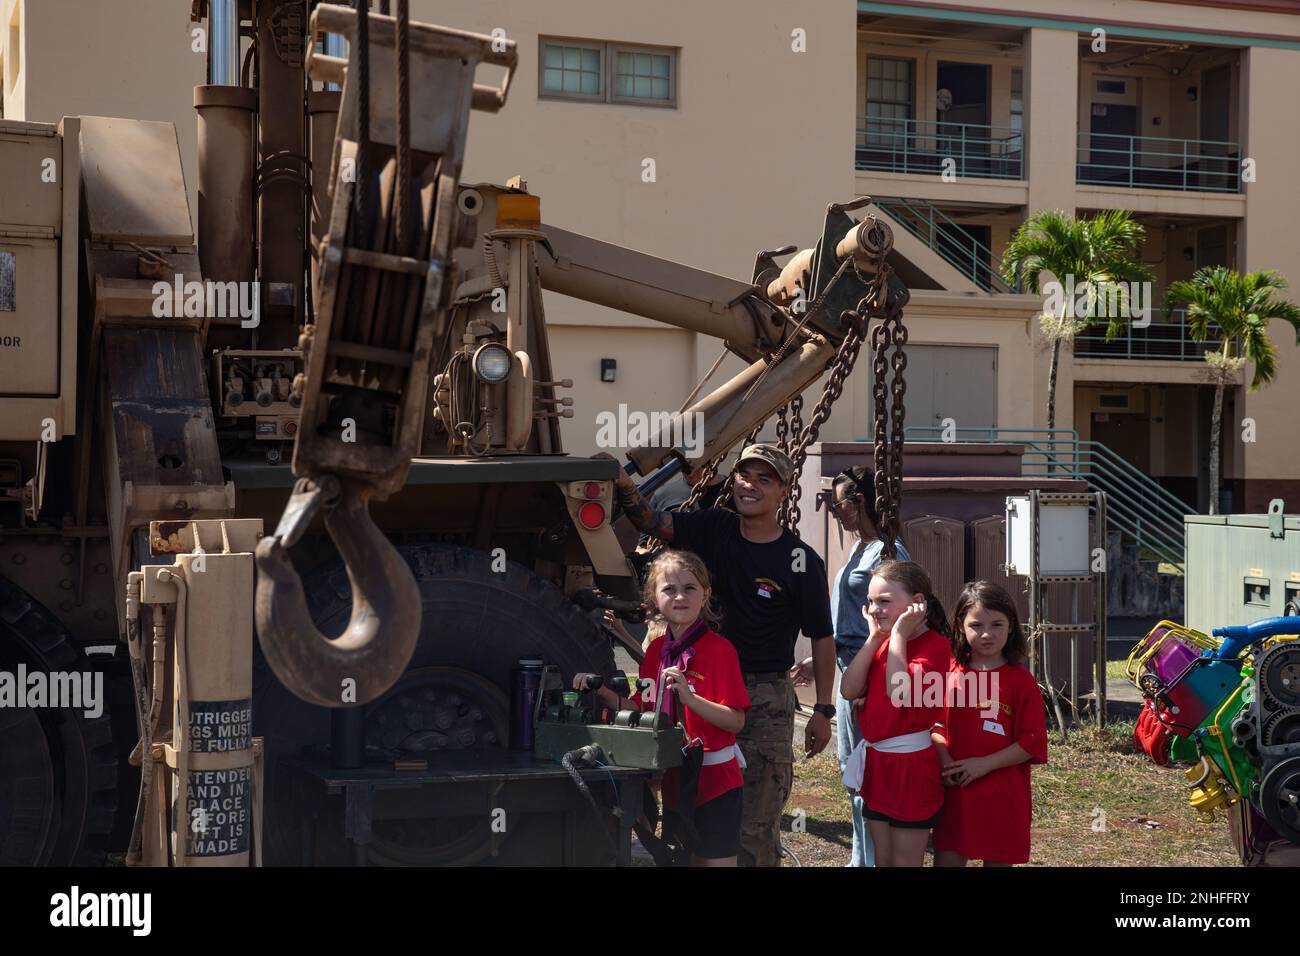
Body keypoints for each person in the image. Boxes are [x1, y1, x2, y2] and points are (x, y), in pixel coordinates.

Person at [608, 443, 835, 867]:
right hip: (704, 689)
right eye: (745, 476)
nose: (750, 486)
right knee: (698, 816)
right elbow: (650, 521)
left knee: (754, 822)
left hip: (764, 698)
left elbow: (822, 636)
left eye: (764, 479)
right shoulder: (715, 527)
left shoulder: (800, 561)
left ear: (784, 491)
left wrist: (823, 708)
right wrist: (623, 483)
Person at [575, 550, 749, 866]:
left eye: (690, 588)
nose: (680, 597)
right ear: (654, 598)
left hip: (715, 782)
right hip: (675, 780)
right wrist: (599, 688)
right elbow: (640, 710)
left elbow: (736, 721)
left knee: (717, 862)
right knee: (684, 860)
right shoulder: (656, 651)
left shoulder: (720, 651)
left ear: (706, 594)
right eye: (669, 589)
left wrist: (691, 699)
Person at [795, 465, 909, 867]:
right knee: (852, 770)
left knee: (867, 773)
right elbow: (847, 621)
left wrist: (875, 684)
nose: (834, 511)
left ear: (858, 502)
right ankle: (861, 858)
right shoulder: (860, 550)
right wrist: (818, 660)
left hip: (868, 679)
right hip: (849, 672)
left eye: (836, 503)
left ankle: (872, 859)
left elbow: (899, 623)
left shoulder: (887, 554)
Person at [839, 560, 951, 867]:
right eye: (871, 601)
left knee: (905, 861)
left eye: (884, 602)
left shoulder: (935, 646)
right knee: (883, 860)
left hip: (911, 769)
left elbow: (899, 693)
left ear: (917, 603)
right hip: (879, 766)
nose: (874, 610)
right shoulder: (881, 642)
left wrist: (899, 635)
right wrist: (874, 638)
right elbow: (849, 690)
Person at [932, 580, 1048, 867]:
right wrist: (945, 761)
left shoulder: (1021, 681)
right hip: (956, 792)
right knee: (947, 857)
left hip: (1002, 793)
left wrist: (984, 764)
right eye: (976, 625)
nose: (987, 634)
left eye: (997, 624)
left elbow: (1031, 741)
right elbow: (935, 726)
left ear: (1011, 626)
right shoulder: (948, 673)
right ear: (960, 625)